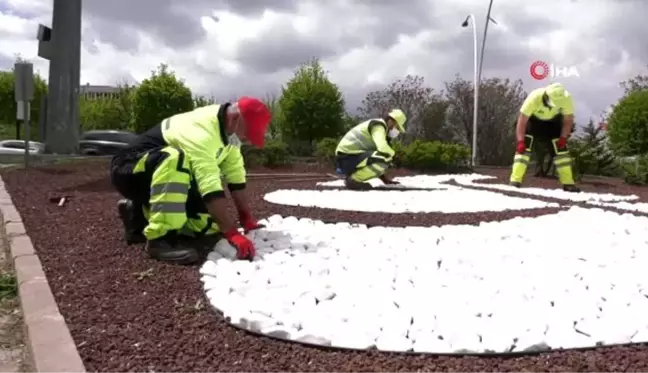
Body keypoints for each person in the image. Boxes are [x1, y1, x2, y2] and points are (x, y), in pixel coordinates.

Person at [110, 97, 272, 265]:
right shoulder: (202, 131)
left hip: (159, 177)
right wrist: (232, 232)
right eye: (247, 133)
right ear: (234, 119)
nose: (247, 140)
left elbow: (236, 177)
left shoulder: (229, 137)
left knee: (208, 225)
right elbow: (209, 186)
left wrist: (246, 218)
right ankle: (160, 240)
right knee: (175, 158)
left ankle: (137, 214)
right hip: (130, 170)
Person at [509, 82, 580, 192]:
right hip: (533, 121)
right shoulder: (534, 97)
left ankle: (568, 183)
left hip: (553, 123)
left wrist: (563, 138)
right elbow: (522, 120)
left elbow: (568, 120)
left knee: (562, 153)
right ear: (546, 96)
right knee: (523, 150)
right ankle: (515, 181)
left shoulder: (566, 98)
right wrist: (520, 141)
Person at [335, 109, 407, 190]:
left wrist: (385, 180)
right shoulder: (378, 126)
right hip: (347, 157)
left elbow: (375, 161)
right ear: (391, 121)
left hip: (348, 157)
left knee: (385, 157)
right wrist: (394, 156)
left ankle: (354, 178)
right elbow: (382, 148)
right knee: (385, 157)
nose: (397, 130)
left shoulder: (382, 130)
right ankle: (354, 180)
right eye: (397, 127)